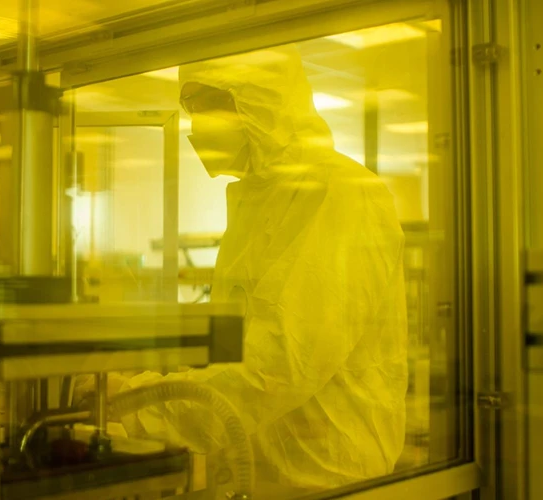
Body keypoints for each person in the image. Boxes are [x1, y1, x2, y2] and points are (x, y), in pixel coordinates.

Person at [95, 45, 408, 495]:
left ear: (263, 99)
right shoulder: (256, 202)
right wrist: (140, 388)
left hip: (327, 477)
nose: (197, 123)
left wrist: (137, 403)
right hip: (250, 471)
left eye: (210, 104)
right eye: (190, 107)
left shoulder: (341, 194)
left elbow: (281, 362)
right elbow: (234, 347)